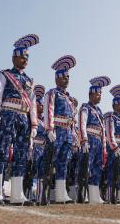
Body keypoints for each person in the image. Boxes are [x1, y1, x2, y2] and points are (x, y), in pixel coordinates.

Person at [0, 35, 39, 206]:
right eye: (22, 56)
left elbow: (32, 103)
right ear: (14, 58)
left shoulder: (29, 80)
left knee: (21, 155)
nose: (25, 59)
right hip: (8, 114)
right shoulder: (5, 75)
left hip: (23, 118)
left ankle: (18, 194)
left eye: (27, 57)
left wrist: (34, 124)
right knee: (2, 152)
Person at [43, 55, 77, 204]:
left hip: (68, 132)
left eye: (68, 77)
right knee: (50, 161)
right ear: (57, 78)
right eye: (63, 77)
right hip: (56, 130)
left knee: (63, 163)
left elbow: (73, 119)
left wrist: (74, 134)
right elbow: (48, 110)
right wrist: (49, 129)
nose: (66, 80)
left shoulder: (69, 98)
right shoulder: (52, 93)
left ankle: (60, 194)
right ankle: (43, 194)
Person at [77, 76, 110, 204]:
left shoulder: (99, 111)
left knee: (97, 169)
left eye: (100, 94)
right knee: (86, 167)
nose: (100, 96)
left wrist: (104, 146)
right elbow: (82, 124)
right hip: (89, 140)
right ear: (91, 94)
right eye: (97, 94)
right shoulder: (86, 107)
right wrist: (84, 140)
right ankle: (83, 195)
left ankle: (95, 196)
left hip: (98, 141)